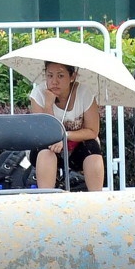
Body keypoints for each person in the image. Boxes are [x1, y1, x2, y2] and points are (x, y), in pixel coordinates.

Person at [28, 60, 106, 191]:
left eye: (60, 76)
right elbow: (43, 131)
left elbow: (92, 131)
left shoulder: (84, 93)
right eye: (50, 75)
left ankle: (96, 197)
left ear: (72, 77)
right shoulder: (39, 94)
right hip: (48, 145)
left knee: (92, 147)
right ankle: (46, 199)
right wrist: (48, 105)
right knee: (46, 152)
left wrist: (65, 136)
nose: (54, 81)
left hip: (76, 146)